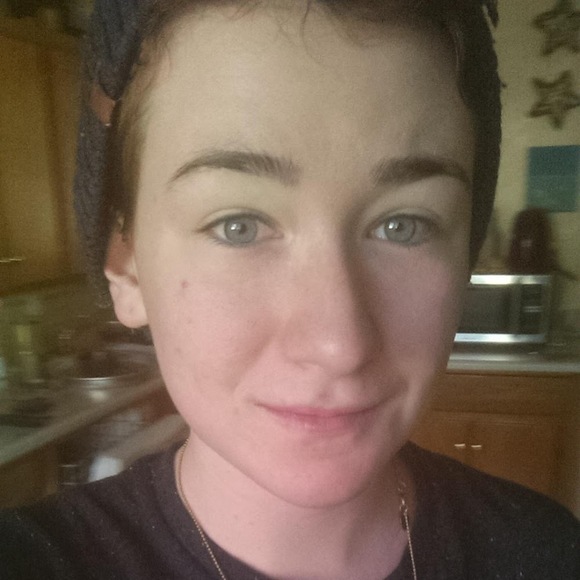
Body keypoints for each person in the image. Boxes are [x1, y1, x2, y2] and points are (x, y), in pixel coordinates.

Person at [1, 0, 578, 578]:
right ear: (126, 269)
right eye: (238, 226)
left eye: (404, 226)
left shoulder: (548, 553)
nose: (338, 345)